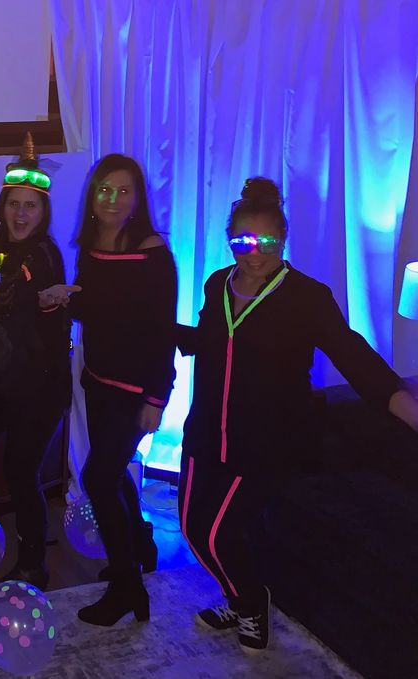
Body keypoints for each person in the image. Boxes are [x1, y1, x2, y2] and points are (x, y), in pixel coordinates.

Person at [177, 177, 418, 652]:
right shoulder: (216, 284)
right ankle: (238, 595)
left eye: (266, 240)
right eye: (242, 240)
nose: (254, 251)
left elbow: (354, 357)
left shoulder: (307, 297)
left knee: (219, 533)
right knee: (190, 527)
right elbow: (210, 342)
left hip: (262, 444)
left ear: (283, 240)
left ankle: (251, 603)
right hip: (204, 432)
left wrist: (406, 407)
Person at [48, 153, 176, 626]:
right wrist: (67, 297)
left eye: (123, 190)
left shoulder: (153, 252)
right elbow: (99, 308)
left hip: (135, 389)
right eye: (104, 189)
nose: (112, 199)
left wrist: (155, 401)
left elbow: (160, 330)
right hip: (98, 380)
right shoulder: (91, 242)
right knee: (112, 469)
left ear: (138, 197)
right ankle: (139, 545)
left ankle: (127, 587)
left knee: (97, 478)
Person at [0, 134, 73, 590]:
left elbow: (44, 324)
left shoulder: (47, 256)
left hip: (35, 384)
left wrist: (46, 305)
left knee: (22, 470)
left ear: (43, 212)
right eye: (14, 204)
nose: (21, 214)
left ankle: (32, 562)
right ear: (3, 204)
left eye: (31, 206)